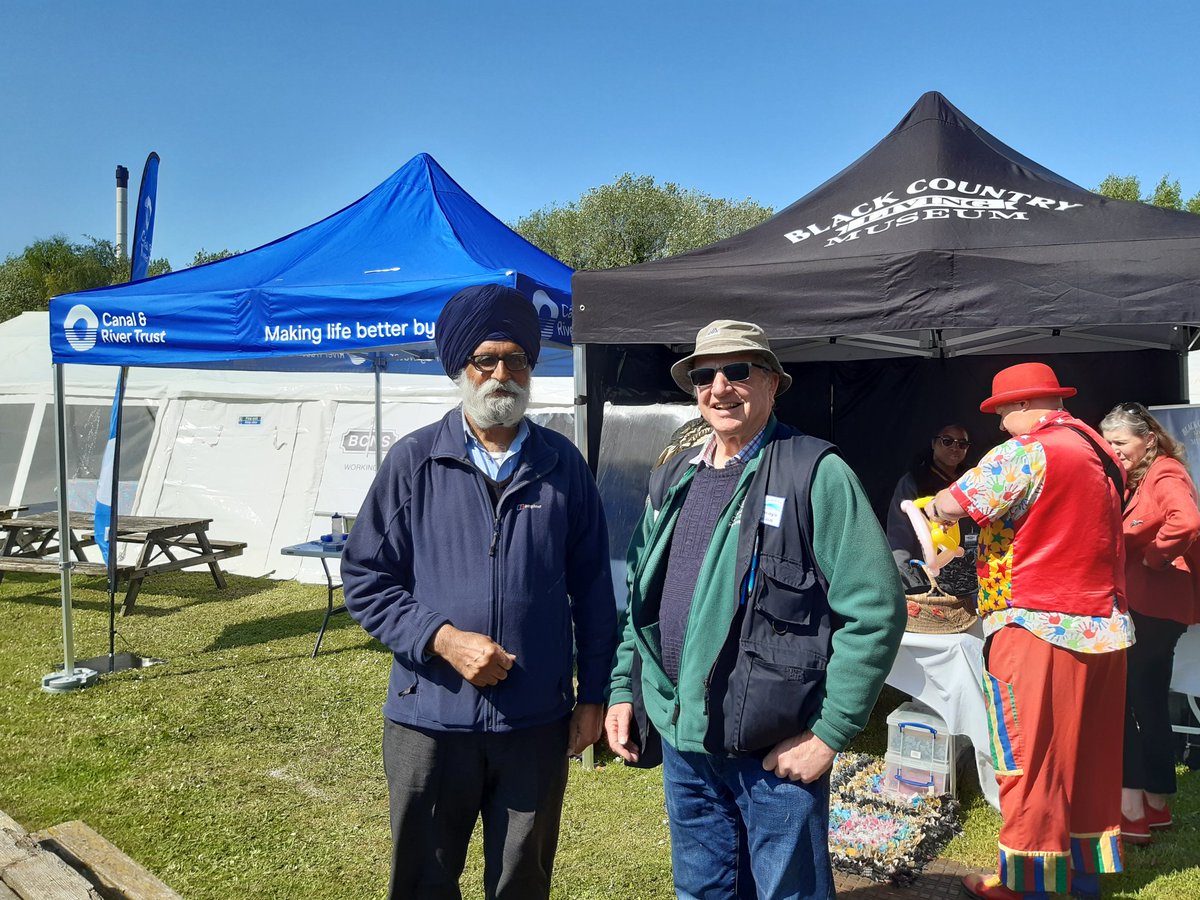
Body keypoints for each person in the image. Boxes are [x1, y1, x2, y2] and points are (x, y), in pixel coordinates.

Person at [604, 319, 905, 900]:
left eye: (738, 371)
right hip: (684, 742)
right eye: (704, 375)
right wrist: (624, 690)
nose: (720, 386)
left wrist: (830, 733)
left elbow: (875, 611)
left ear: (772, 383)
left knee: (787, 893)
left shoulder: (814, 472)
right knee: (703, 891)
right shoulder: (675, 474)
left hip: (773, 749)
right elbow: (640, 598)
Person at [341, 283, 617, 900]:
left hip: (535, 721)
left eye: (516, 359)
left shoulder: (562, 464)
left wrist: (593, 695)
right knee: (424, 879)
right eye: (485, 359)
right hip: (430, 718)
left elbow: (596, 593)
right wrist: (440, 639)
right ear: (460, 368)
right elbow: (364, 576)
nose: (502, 374)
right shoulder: (415, 461)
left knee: (522, 881)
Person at [925, 362, 1130, 900]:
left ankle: (1027, 883)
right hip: (1105, 627)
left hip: (1037, 623)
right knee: (1088, 757)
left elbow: (950, 504)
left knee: (1030, 758)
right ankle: (1082, 875)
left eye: (1000, 415)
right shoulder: (1104, 454)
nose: (999, 427)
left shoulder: (1026, 451)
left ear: (1019, 407)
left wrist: (931, 516)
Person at [1100, 401, 1200, 844]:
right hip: (1157, 608)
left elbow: (1188, 520)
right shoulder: (1146, 474)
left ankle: (1133, 811)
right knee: (1149, 701)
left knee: (1123, 702)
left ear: (1149, 439)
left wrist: (1155, 556)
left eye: (1120, 443)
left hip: (1151, 606)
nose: (1114, 452)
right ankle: (1156, 804)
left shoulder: (1163, 472)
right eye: (1109, 444)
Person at [884, 424, 978, 598]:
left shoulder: (972, 479)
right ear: (934, 444)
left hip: (969, 574)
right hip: (928, 574)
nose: (955, 448)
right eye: (947, 441)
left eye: (962, 444)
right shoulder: (914, 480)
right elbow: (899, 532)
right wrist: (902, 576)